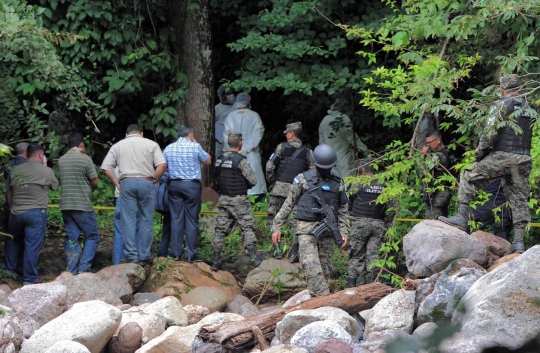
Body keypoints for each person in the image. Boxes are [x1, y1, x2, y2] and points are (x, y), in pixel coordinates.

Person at [440, 74, 534, 254]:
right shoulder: (529, 107)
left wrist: (481, 152)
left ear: (501, 89)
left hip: (503, 157)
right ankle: (519, 242)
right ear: (520, 89)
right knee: (519, 198)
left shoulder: (501, 104)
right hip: (523, 159)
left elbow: (490, 132)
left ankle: (461, 217)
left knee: (469, 175)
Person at [271, 144, 350, 297]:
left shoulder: (338, 182)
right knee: (312, 268)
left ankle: (317, 302)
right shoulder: (303, 180)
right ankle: (325, 300)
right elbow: (288, 204)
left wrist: (344, 231)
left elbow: (343, 209)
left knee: (325, 271)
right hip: (306, 231)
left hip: (328, 232)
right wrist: (277, 227)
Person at [101, 124, 167, 265]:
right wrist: (155, 180)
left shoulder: (118, 146)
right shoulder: (151, 144)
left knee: (128, 220)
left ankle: (131, 255)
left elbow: (106, 167)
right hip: (146, 182)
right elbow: (162, 165)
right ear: (142, 134)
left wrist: (116, 182)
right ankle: (144, 256)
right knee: (146, 219)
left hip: (127, 183)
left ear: (126, 134)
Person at [5, 144, 58, 285]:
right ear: (41, 155)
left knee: (12, 240)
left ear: (27, 154)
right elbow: (55, 186)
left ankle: (8, 272)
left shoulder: (15, 170)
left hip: (16, 212)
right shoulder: (46, 171)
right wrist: (46, 167)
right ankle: (29, 279)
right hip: (36, 213)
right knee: (32, 245)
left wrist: (13, 208)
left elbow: (9, 193)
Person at [212, 132, 261, 271]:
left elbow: (216, 178)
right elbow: (253, 180)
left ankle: (216, 261)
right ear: (240, 143)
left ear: (228, 143)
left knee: (220, 229)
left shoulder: (219, 160)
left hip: (224, 199)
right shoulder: (240, 160)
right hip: (239, 200)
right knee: (247, 227)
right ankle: (253, 258)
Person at [266, 122, 313, 260]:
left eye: (287, 132)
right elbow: (312, 173)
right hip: (296, 192)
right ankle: (294, 252)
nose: (286, 135)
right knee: (295, 221)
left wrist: (272, 181)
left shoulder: (281, 147)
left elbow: (269, 167)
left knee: (274, 218)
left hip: (278, 190)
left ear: (292, 134)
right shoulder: (308, 152)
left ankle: (277, 250)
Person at [163, 125, 211, 262]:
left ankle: (176, 254)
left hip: (174, 185)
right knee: (192, 220)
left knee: (176, 218)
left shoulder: (169, 148)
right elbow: (208, 160)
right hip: (191, 186)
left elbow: (163, 165)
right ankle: (190, 254)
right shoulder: (195, 147)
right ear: (190, 134)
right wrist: (195, 142)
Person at [347, 158, 396, 288]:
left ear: (362, 169)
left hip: (360, 224)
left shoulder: (357, 183)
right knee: (373, 256)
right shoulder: (384, 184)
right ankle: (371, 285)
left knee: (356, 255)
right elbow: (392, 208)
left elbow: (348, 203)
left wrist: (352, 213)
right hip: (378, 225)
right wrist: (386, 223)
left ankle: (352, 286)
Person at [58, 132, 100, 274]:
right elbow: (95, 181)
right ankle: (84, 268)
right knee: (92, 236)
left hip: (66, 205)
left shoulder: (61, 160)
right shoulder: (85, 159)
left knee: (72, 238)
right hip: (82, 204)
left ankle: (71, 270)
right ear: (81, 145)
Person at [223, 93, 267, 195]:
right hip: (251, 153)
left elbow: (226, 135)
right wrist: (247, 148)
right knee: (255, 184)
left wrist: (233, 149)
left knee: (235, 180)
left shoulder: (230, 116)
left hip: (234, 153)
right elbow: (258, 133)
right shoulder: (254, 116)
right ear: (248, 102)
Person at [319, 98, 367, 176]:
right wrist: (365, 150)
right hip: (344, 156)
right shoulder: (344, 118)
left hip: (329, 158)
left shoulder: (324, 120)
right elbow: (351, 138)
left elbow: (321, 142)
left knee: (335, 180)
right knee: (348, 180)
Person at [2, 142, 29, 275]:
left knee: (11, 237)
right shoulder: (29, 167)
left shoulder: (8, 166)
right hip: (25, 206)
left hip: (10, 206)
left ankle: (8, 269)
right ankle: (23, 268)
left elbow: (9, 190)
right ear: (25, 153)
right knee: (26, 237)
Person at [421, 130, 455, 219]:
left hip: (436, 195)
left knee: (434, 223)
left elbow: (424, 170)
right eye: (427, 143)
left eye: (430, 142)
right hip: (443, 194)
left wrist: (423, 156)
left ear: (438, 140)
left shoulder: (439, 156)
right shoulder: (449, 153)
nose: (428, 145)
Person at [215, 85, 236, 159]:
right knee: (218, 156)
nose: (231, 95)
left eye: (231, 93)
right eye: (228, 94)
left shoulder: (237, 106)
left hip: (235, 135)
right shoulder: (217, 108)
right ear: (222, 95)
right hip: (220, 137)